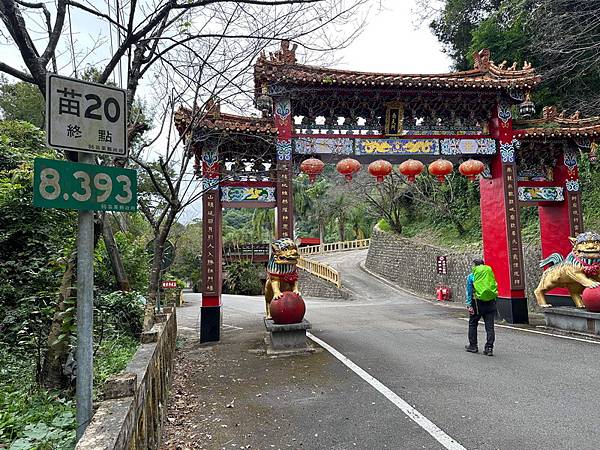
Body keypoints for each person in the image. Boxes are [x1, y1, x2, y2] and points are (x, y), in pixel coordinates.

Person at [465, 258, 498, 356]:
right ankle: (489, 348)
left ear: (475, 266)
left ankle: (473, 346)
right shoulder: (489, 275)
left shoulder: (472, 276)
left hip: (477, 304)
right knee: (490, 327)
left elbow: (469, 292)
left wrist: (469, 305)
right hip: (490, 303)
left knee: (473, 324)